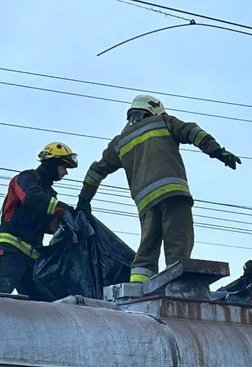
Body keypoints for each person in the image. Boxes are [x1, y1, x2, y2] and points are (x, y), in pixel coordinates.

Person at [77, 94, 241, 283]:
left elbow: (95, 172)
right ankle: (177, 285)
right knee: (178, 244)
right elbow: (192, 132)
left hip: (146, 204)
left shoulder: (120, 142)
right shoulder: (163, 121)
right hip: (173, 194)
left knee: (147, 249)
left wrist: (83, 202)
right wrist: (217, 151)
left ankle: (137, 286)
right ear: (154, 109)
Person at [0, 142, 78, 295]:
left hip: (32, 256)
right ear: (53, 163)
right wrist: (62, 209)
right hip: (10, 247)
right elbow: (31, 198)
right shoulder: (26, 179)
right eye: (64, 166)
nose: (65, 172)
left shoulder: (49, 193)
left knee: (39, 300)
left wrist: (58, 223)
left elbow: (44, 223)